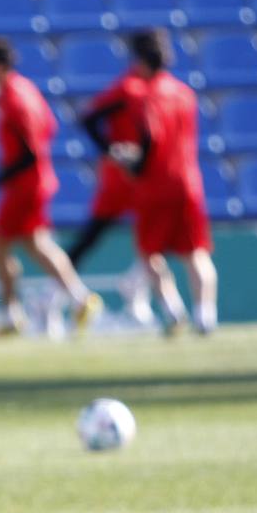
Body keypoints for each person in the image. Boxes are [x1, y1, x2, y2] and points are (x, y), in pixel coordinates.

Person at [0, 37, 102, 337]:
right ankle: (79, 299)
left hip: (25, 184)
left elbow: (29, 151)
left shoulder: (13, 97)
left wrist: (2, 174)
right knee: (37, 244)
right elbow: (49, 127)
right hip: (36, 181)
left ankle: (13, 315)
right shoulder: (25, 89)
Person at [125, 29, 218, 336]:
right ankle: (206, 315)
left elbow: (151, 137)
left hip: (156, 185)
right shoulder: (184, 92)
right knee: (196, 253)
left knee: (151, 254)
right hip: (188, 182)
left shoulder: (147, 95)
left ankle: (174, 312)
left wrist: (133, 163)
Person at [74, 63, 155, 325]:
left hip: (134, 175)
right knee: (94, 236)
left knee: (153, 237)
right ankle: (56, 296)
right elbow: (89, 118)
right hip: (125, 177)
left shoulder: (143, 88)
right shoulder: (131, 89)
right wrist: (111, 150)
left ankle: (136, 290)